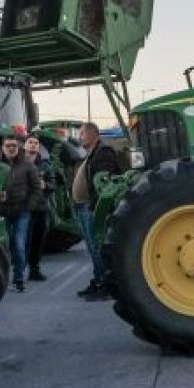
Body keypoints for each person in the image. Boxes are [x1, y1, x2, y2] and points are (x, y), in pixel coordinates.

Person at [72, 122, 120, 301]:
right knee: (93, 249)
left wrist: (97, 208)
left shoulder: (104, 152)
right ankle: (98, 280)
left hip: (93, 209)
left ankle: (105, 286)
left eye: (82, 133)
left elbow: (103, 184)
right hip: (84, 207)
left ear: (93, 134)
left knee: (97, 247)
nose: (79, 137)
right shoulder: (92, 153)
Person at [0, 135, 40, 293]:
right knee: (2, 246)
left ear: (18, 148)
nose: (11, 148)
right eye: (8, 145)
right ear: (2, 147)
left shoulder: (28, 166)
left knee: (19, 244)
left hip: (22, 211)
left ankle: (19, 279)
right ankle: (2, 279)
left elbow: (36, 189)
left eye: (14, 146)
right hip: (1, 212)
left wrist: (29, 207)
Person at [24, 134, 53, 282]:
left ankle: (34, 270)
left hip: (40, 209)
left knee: (38, 240)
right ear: (25, 145)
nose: (33, 145)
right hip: (22, 209)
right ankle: (18, 271)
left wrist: (45, 185)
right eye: (30, 142)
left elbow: (53, 185)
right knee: (22, 240)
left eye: (36, 143)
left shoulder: (45, 166)